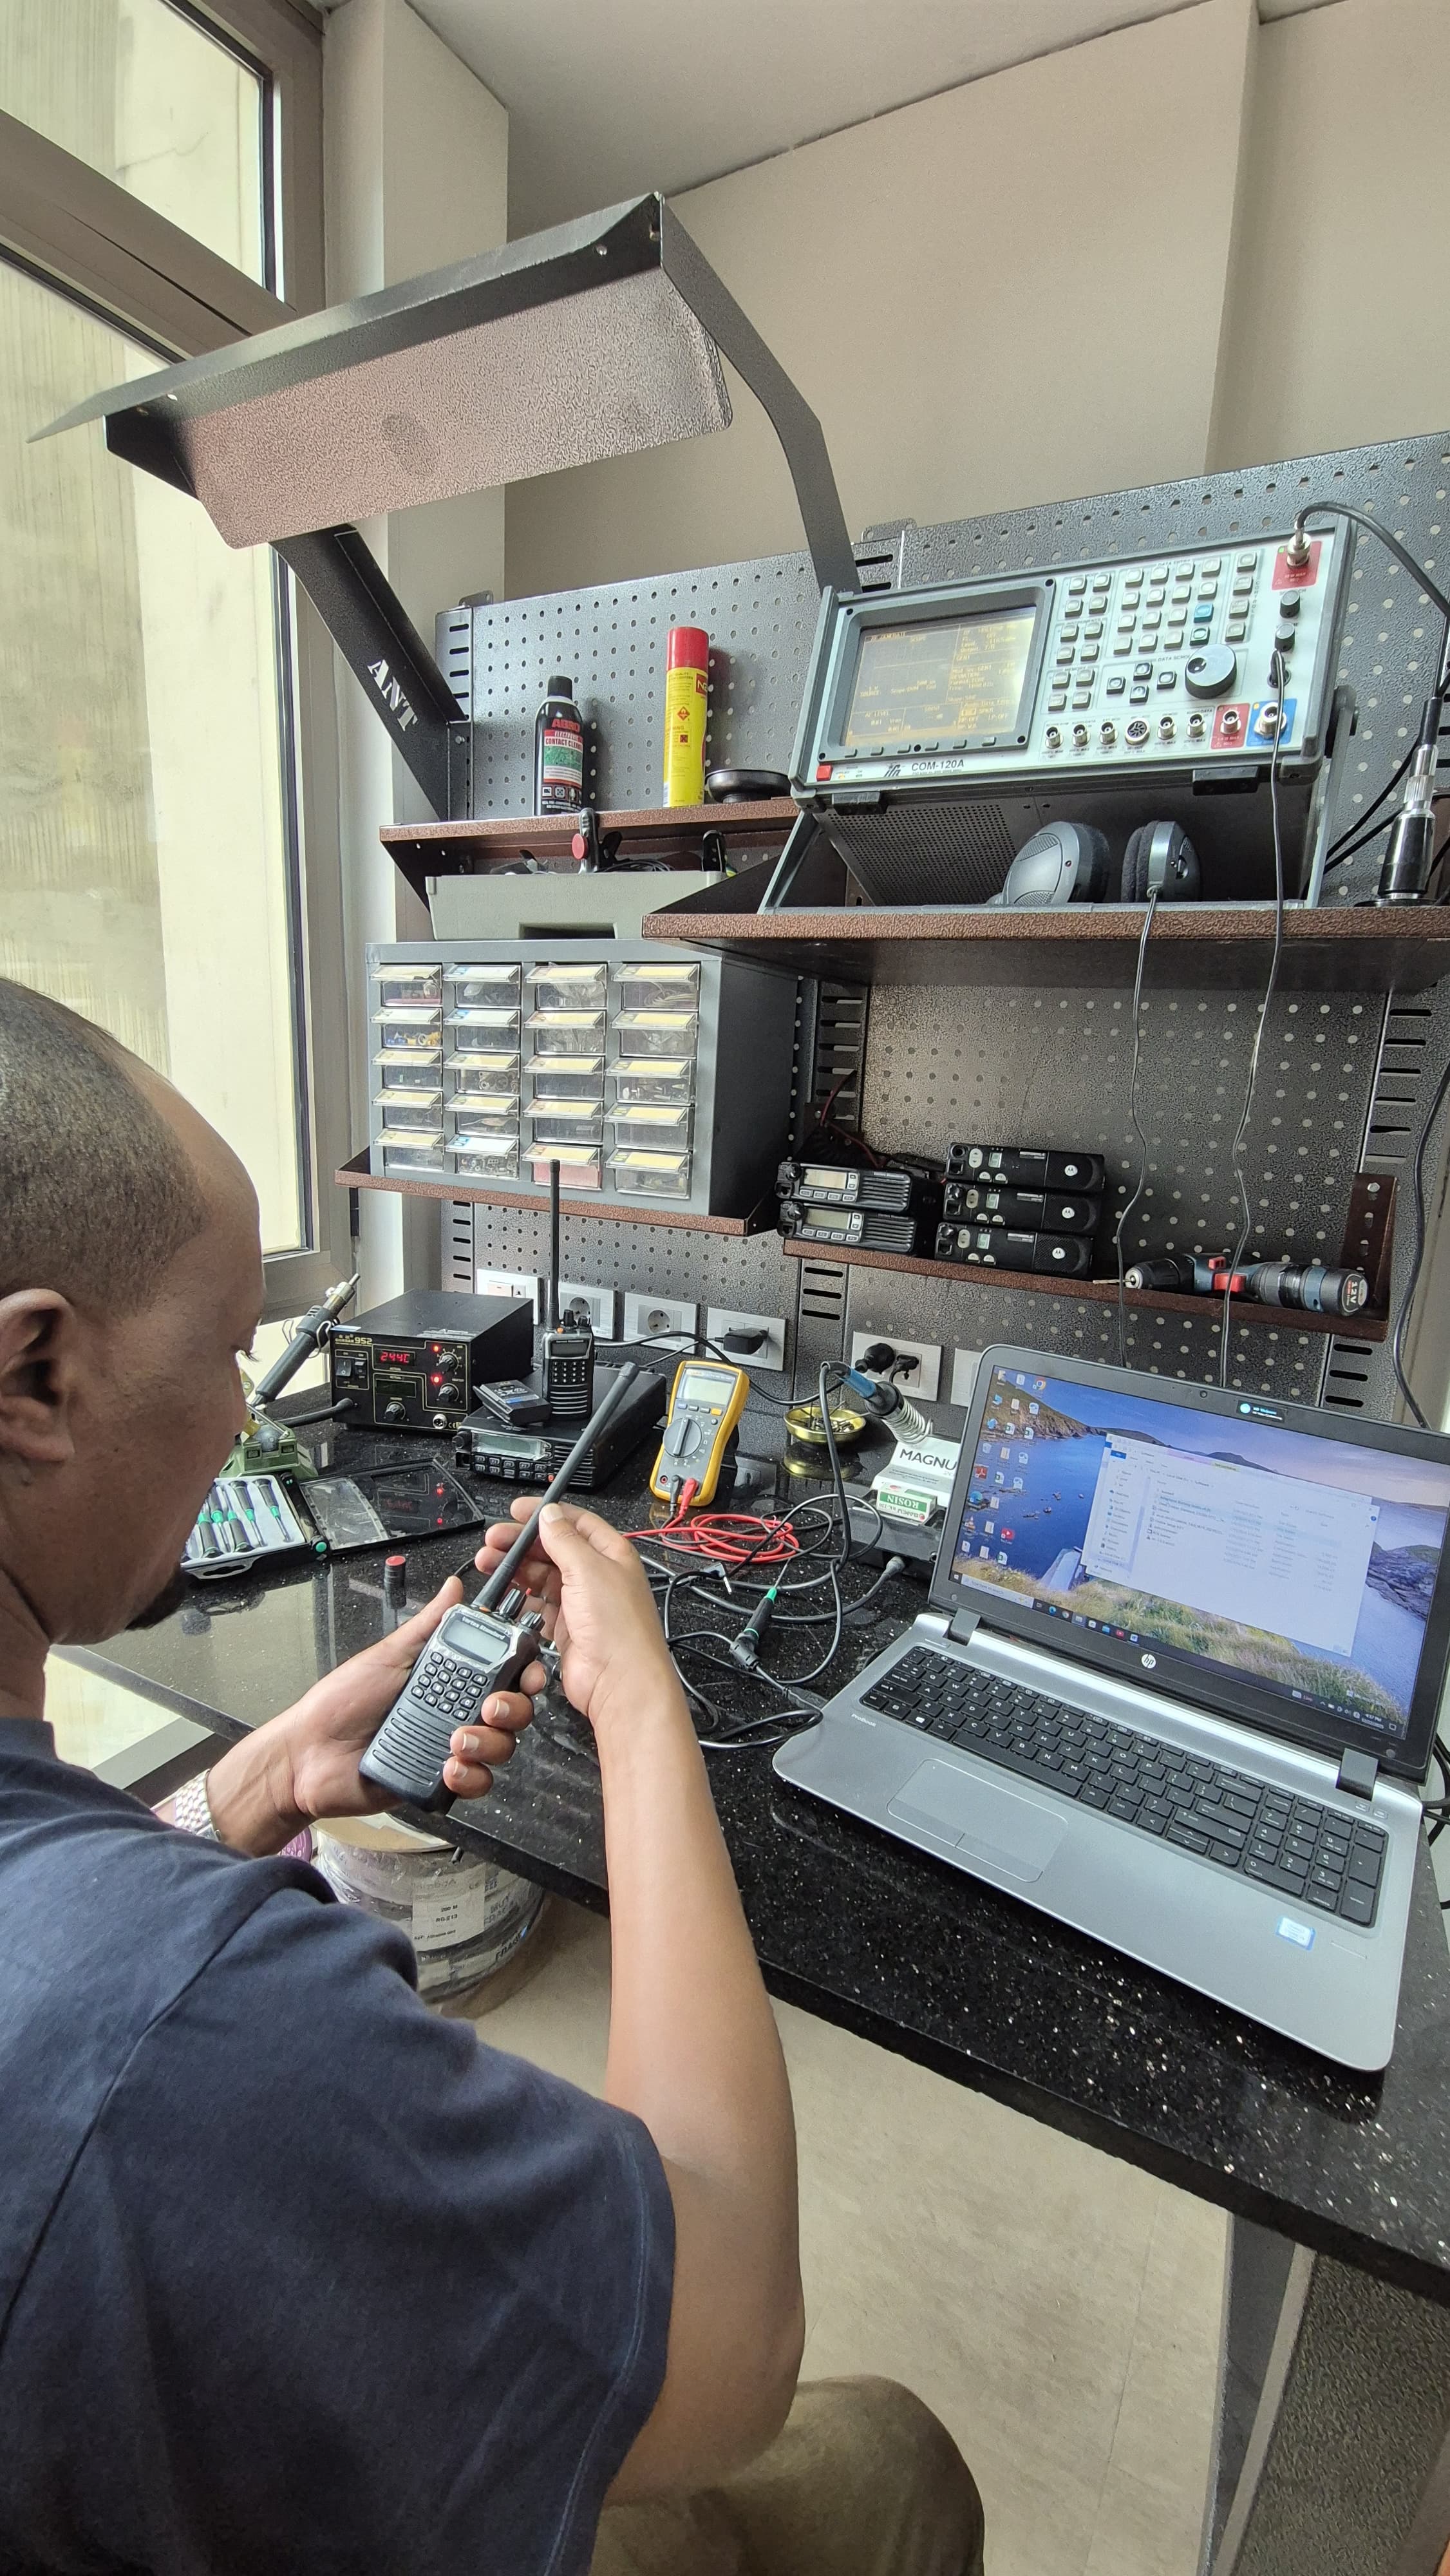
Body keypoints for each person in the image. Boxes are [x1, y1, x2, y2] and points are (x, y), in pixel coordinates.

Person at [0, 976, 984, 2576]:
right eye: (235, 1348)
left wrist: (254, 1778)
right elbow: (730, 2340)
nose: (246, 1410)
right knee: (882, 2455)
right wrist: (643, 1703)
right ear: (35, 1376)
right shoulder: (182, 2024)